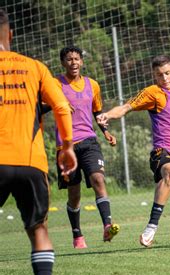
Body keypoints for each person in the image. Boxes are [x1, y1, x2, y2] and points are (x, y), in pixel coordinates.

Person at [0, 9, 77, 275]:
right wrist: (67, 146)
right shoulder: (34, 67)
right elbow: (61, 105)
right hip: (31, 162)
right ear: (11, 34)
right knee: (39, 230)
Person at [97, 43, 170, 247]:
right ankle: (151, 227)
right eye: (159, 75)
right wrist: (108, 115)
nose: (164, 78)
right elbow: (127, 107)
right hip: (163, 151)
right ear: (154, 76)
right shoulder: (153, 92)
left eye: (166, 73)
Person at [43, 46, 120, 249]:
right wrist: (58, 104)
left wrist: (106, 132)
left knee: (98, 179)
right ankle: (77, 235)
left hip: (89, 142)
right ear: (63, 63)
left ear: (82, 62)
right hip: (66, 145)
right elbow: (42, 105)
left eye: (77, 59)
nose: (73, 62)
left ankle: (108, 225)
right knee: (74, 193)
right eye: (69, 59)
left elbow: (98, 112)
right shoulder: (55, 84)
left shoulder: (92, 85)